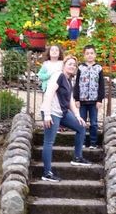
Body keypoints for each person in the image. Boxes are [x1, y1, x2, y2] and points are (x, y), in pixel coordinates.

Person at [40, 55, 91, 183]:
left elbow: (70, 101)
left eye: (74, 65)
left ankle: (77, 157)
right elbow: (49, 93)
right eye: (70, 64)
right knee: (49, 142)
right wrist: (46, 114)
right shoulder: (58, 75)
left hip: (62, 113)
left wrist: (78, 116)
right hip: (51, 112)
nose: (72, 66)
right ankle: (47, 173)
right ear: (64, 65)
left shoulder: (69, 80)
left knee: (81, 127)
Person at [73, 44, 105, 148]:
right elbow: (76, 84)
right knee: (81, 122)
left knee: (94, 123)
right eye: (87, 53)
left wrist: (100, 99)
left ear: (95, 55)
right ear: (84, 55)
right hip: (82, 101)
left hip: (94, 101)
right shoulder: (81, 68)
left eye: (92, 53)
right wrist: (76, 98)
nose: (90, 55)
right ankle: (81, 142)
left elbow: (101, 85)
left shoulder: (99, 68)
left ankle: (93, 143)